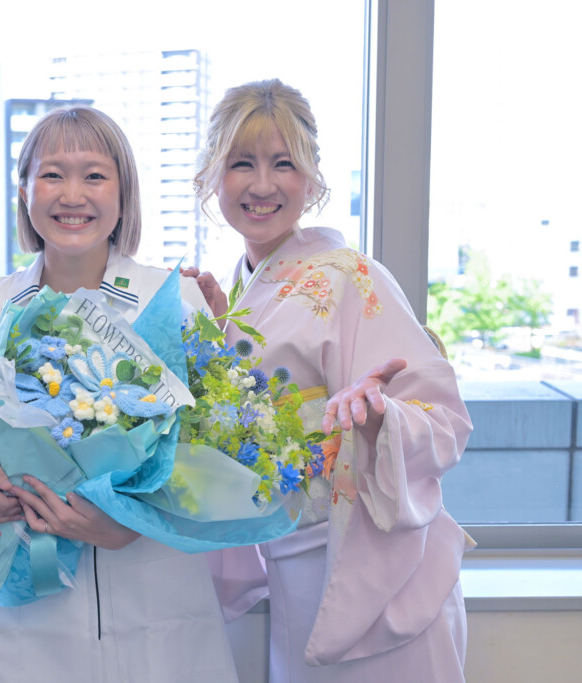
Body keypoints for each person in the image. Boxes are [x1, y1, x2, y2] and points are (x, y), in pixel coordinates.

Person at [193, 79, 474, 682]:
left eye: (283, 164)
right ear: (213, 175)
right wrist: (215, 348)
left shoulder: (352, 278)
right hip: (292, 564)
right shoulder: (240, 290)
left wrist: (379, 419)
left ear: (313, 178)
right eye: (241, 163)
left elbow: (446, 420)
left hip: (370, 566)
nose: (261, 185)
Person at [0, 106, 240, 683]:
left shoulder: (175, 302)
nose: (72, 195)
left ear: (124, 195)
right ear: (24, 193)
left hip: (157, 592)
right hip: (35, 598)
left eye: (95, 176)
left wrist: (129, 523)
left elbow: (213, 454)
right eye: (52, 174)